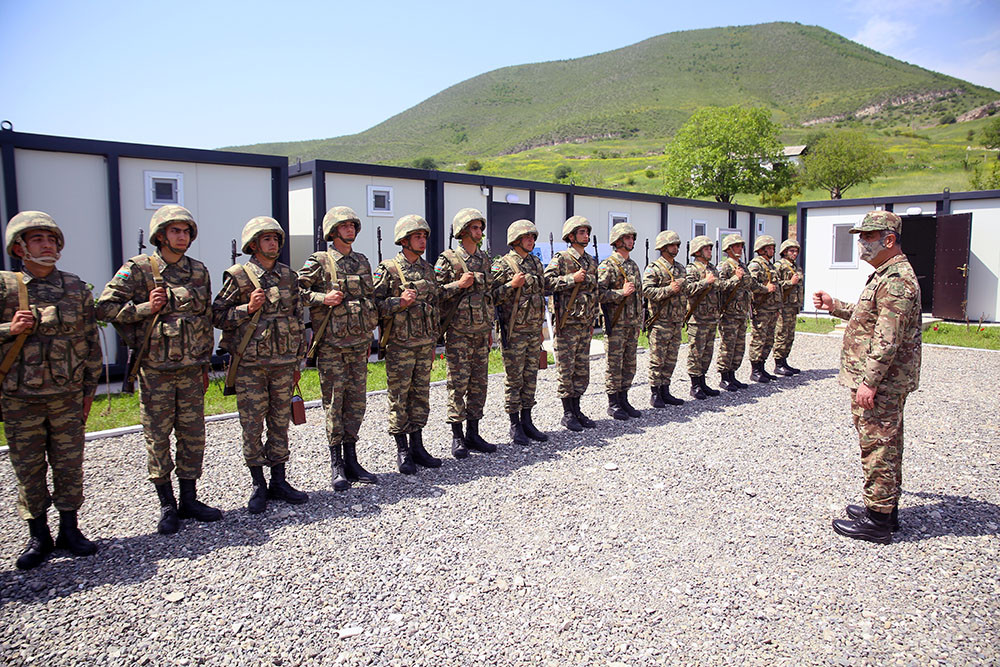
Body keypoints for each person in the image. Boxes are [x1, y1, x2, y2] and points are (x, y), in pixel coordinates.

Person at [97, 205, 220, 535]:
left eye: (186, 231)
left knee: (193, 436)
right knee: (158, 438)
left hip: (192, 370)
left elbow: (205, 320)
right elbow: (104, 308)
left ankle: (190, 499)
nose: (182, 236)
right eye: (175, 231)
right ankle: (167, 505)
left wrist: (206, 363)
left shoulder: (199, 271)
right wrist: (144, 308)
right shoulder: (138, 269)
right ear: (160, 235)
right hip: (156, 372)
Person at [1, 211, 101, 569]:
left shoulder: (75, 287)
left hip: (66, 395)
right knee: (28, 467)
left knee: (69, 465)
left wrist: (90, 391)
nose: (46, 245)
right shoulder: (5, 286)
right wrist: (7, 329)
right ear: (19, 247)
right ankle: (38, 535)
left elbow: (91, 342)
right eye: (37, 239)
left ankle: (69, 530)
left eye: (51, 239)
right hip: (20, 398)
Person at [814, 211, 921, 545]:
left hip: (883, 382)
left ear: (888, 240)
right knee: (884, 443)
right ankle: (883, 507)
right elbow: (870, 317)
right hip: (883, 380)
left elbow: (887, 339)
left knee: (879, 446)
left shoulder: (896, 280)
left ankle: (878, 522)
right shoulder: (885, 275)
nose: (861, 244)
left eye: (867, 237)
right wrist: (835, 306)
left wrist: (870, 382)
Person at [212, 216, 308, 513]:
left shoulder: (289, 276)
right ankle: (258, 484)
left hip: (282, 364)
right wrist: (246, 308)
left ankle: (279, 480)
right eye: (266, 239)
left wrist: (297, 360)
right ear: (253, 244)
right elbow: (216, 316)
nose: (273, 243)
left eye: (276, 239)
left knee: (280, 423)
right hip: (250, 366)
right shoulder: (239, 277)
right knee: (252, 426)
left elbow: (297, 318)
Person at [298, 206, 379, 491]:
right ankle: (336, 465)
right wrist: (323, 298)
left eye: (352, 226)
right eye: (344, 226)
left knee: (356, 402)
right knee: (334, 403)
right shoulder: (320, 261)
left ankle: (352, 460)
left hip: (358, 344)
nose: (350, 230)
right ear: (332, 231)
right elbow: (296, 291)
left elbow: (371, 296)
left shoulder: (362, 261)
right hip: (332, 346)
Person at [373, 215, 441, 474]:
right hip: (400, 345)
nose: (422, 240)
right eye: (417, 236)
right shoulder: (388, 269)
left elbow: (435, 303)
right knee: (400, 397)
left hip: (424, 342)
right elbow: (374, 306)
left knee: (420, 395)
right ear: (403, 240)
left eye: (424, 236)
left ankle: (418, 446)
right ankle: (402, 449)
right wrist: (397, 303)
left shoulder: (428, 269)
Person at [435, 209, 496, 459]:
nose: (479, 232)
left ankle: (474, 432)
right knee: (457, 384)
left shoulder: (484, 258)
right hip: (458, 332)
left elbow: (489, 295)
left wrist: (491, 328)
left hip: (481, 331)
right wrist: (457, 285)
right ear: (462, 231)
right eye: (474, 228)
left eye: (480, 228)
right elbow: (435, 292)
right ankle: (457, 436)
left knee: (479, 384)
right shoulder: (448, 259)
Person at [544, 216, 604, 431]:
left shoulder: (590, 261)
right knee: (565, 368)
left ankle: (577, 409)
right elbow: (546, 282)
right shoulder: (561, 258)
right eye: (581, 232)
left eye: (587, 232)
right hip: (566, 323)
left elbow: (594, 292)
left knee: (581, 369)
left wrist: (593, 320)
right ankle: (567, 412)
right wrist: (571, 279)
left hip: (584, 323)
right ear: (571, 236)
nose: (586, 236)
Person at [491, 219, 548, 445]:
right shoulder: (502, 265)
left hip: (533, 331)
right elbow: (491, 296)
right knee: (514, 379)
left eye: (533, 237)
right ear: (515, 240)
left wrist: (542, 329)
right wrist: (510, 286)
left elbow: (540, 296)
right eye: (527, 237)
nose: (531, 240)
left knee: (530, 377)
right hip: (513, 332)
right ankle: (515, 424)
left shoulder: (536, 263)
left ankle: (527, 420)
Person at [598, 222, 642, 419]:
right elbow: (598, 294)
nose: (631, 241)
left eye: (632, 238)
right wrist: (619, 293)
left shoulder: (633, 265)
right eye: (627, 238)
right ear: (617, 241)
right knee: (614, 364)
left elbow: (638, 295)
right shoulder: (608, 265)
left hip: (632, 323)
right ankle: (613, 402)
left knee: (629, 364)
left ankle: (624, 399)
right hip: (616, 324)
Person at [642, 230, 687, 408]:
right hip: (660, 321)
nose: (675, 248)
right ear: (662, 247)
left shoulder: (680, 268)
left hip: (676, 320)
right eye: (672, 245)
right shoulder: (654, 268)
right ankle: (655, 393)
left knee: (671, 358)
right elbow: (646, 291)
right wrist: (669, 289)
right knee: (657, 359)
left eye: (677, 245)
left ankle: (665, 390)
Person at [685, 235, 720, 399]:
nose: (709, 251)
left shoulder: (712, 268)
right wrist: (705, 282)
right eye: (706, 248)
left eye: (710, 248)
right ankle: (695, 385)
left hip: (712, 317)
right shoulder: (691, 269)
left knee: (707, 352)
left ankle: (703, 381)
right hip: (697, 318)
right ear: (698, 251)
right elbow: (687, 289)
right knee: (696, 352)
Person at [715, 233, 752, 392]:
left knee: (739, 346)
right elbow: (719, 286)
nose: (740, 249)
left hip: (741, 312)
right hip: (729, 313)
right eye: (736, 246)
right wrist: (735, 279)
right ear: (728, 249)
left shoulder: (743, 266)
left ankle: (732, 374)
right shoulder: (724, 266)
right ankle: (724, 377)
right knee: (728, 345)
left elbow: (751, 284)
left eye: (741, 246)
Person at [747, 235, 781, 383]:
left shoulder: (770, 265)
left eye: (773, 248)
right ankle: (755, 370)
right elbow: (751, 284)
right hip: (761, 309)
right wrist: (765, 289)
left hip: (772, 308)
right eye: (769, 248)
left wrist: (778, 306)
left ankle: (762, 367)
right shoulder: (755, 265)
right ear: (761, 250)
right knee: (759, 339)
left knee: (769, 339)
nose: (772, 250)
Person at [774, 239, 804, 376]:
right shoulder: (779, 266)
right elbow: (775, 285)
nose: (794, 253)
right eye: (791, 251)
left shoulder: (796, 267)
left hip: (793, 305)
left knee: (789, 335)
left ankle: (785, 361)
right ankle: (778, 363)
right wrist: (789, 283)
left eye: (796, 251)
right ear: (784, 252)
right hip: (783, 305)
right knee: (781, 333)